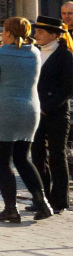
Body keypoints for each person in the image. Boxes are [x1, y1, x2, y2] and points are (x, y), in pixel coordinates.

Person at [0, 17, 51, 222]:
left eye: (4, 30)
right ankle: (43, 203)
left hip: (6, 111)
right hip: (31, 110)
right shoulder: (35, 52)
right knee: (23, 159)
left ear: (9, 33)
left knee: (3, 162)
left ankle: (11, 209)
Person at [31, 15, 72, 214]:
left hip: (56, 113)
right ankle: (41, 198)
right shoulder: (33, 52)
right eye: (35, 31)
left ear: (54, 35)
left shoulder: (65, 55)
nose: (35, 35)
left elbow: (69, 87)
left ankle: (60, 200)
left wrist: (48, 106)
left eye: (40, 32)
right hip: (35, 113)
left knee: (57, 155)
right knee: (37, 157)